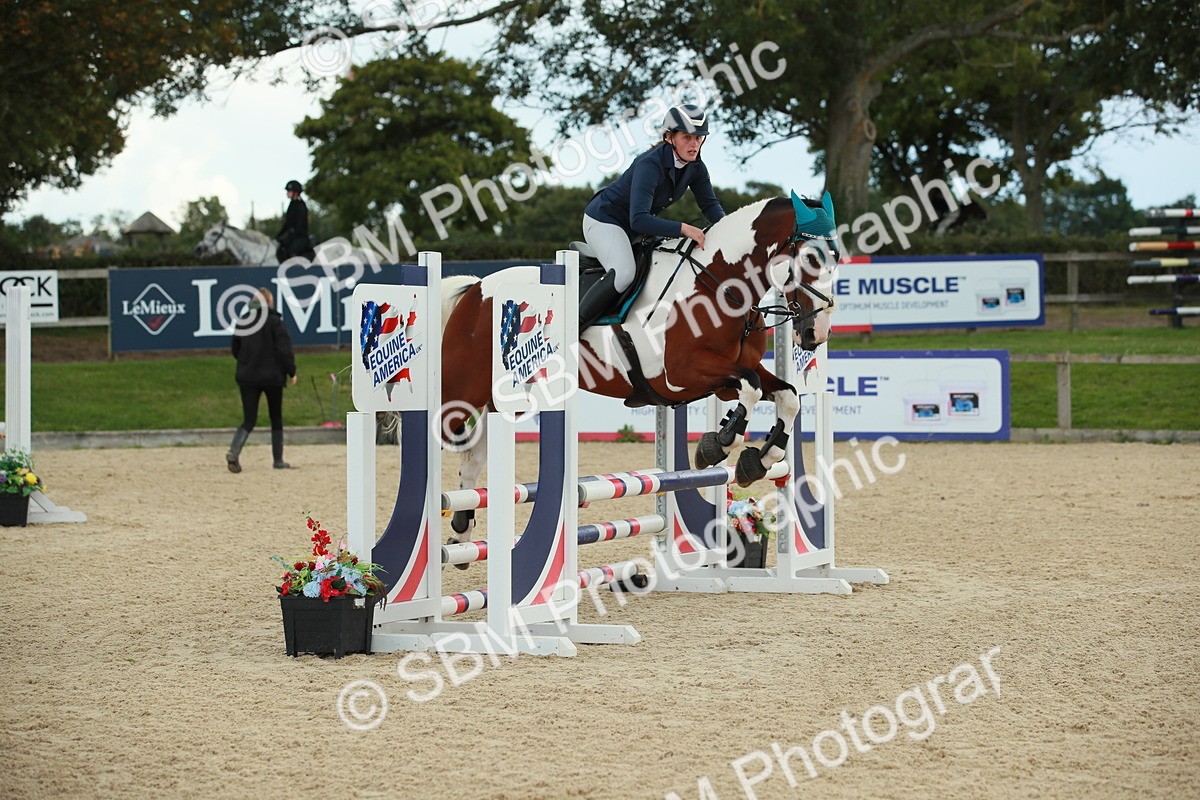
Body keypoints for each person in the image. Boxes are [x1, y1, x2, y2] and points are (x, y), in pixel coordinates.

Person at [578, 103, 727, 328]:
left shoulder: (696, 167)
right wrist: (684, 228)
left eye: (699, 138)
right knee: (625, 273)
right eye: (687, 137)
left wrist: (729, 229)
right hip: (604, 220)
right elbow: (638, 219)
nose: (694, 144)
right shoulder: (650, 164)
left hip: (634, 227)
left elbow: (710, 206)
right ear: (669, 137)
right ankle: (574, 326)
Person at [226, 287, 298, 472]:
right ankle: (278, 460)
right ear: (269, 303)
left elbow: (235, 349)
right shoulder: (275, 323)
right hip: (272, 377)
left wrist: (246, 361)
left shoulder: (243, 322)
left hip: (247, 376)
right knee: (276, 417)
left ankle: (234, 452)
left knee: (249, 419)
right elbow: (284, 350)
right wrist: (291, 372)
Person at [275, 179, 312, 262]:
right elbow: (287, 223)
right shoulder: (291, 205)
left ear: (295, 192)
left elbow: (299, 225)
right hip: (293, 236)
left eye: (289, 191)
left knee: (292, 251)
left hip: (301, 237)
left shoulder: (301, 205)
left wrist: (290, 235)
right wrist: (278, 235)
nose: (287, 193)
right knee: (280, 251)